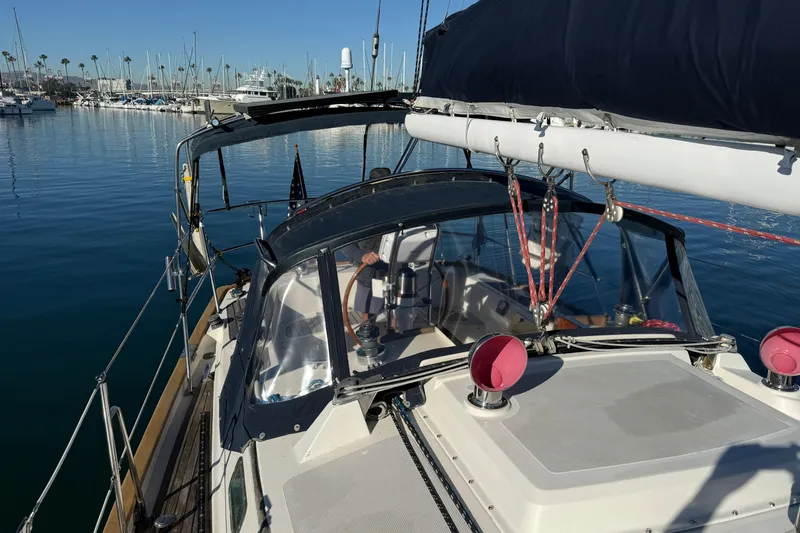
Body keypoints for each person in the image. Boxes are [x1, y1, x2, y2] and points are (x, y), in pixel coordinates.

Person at [341, 168, 392, 323]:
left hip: (393, 267)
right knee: (368, 309)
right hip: (368, 269)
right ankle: (366, 325)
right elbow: (345, 244)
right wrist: (362, 256)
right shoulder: (357, 212)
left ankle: (396, 326)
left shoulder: (397, 207)